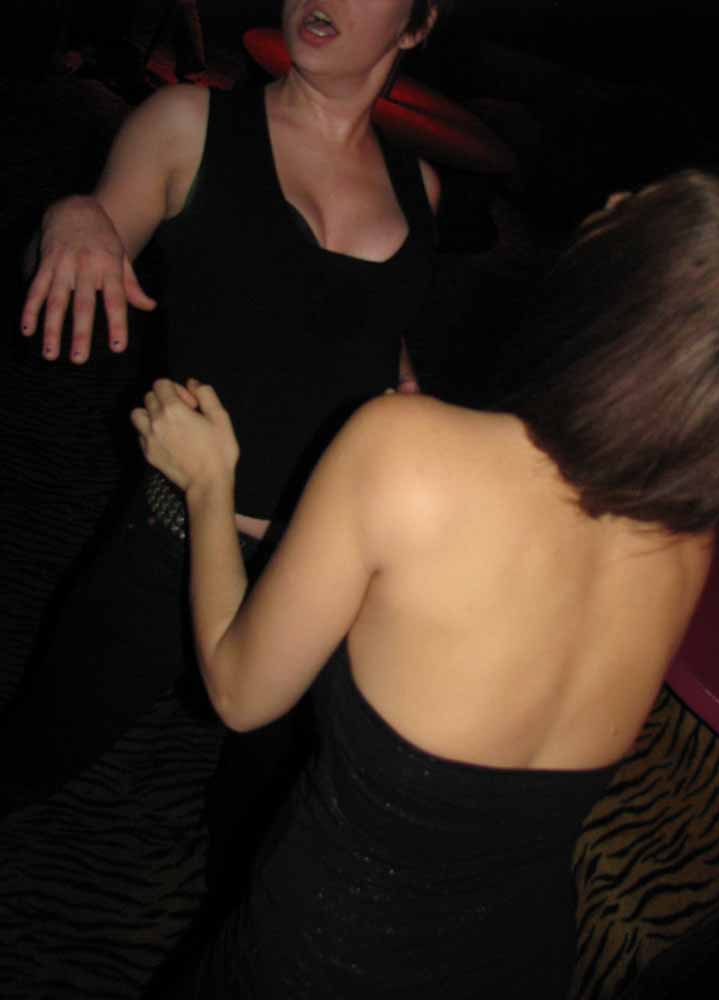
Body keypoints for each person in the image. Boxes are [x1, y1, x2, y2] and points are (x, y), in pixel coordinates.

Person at [132, 169, 719, 996]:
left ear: (622, 306)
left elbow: (240, 692)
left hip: (326, 956)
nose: (604, 203)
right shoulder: (688, 544)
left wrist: (209, 483)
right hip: (521, 963)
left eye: (626, 213)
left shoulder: (404, 451)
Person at [0, 3, 445, 994]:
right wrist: (69, 220)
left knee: (255, 826)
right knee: (40, 746)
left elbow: (374, 343)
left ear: (417, 24)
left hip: (318, 580)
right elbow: (82, 248)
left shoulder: (420, 187)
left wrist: (406, 401)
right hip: (166, 545)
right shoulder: (188, 125)